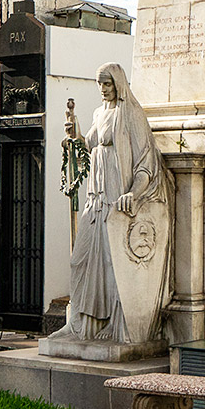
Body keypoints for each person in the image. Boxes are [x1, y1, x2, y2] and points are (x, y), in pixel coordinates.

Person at [57, 63, 170, 341]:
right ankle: (81, 324)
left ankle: (114, 326)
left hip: (116, 200)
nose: (103, 89)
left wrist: (135, 192)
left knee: (112, 266)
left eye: (107, 84)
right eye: (100, 84)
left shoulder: (131, 113)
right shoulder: (99, 112)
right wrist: (75, 133)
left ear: (118, 83)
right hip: (95, 200)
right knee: (81, 261)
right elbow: (90, 145)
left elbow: (146, 161)